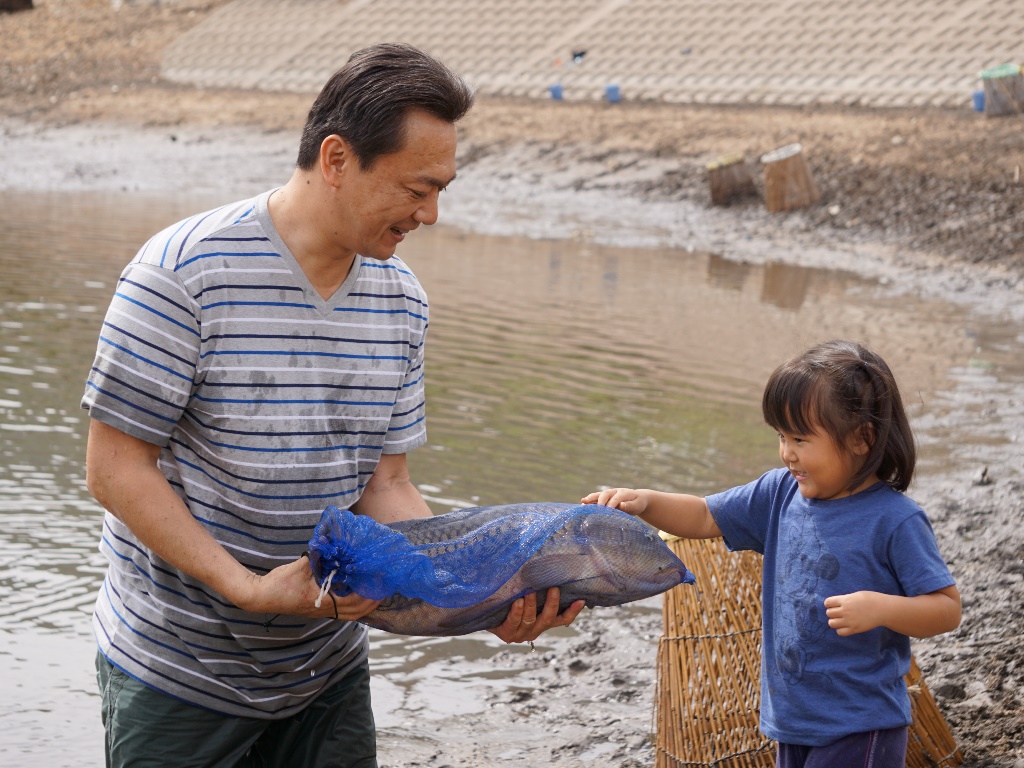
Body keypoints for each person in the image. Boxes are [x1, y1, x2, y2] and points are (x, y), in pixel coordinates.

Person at [83, 42, 584, 768]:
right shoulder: (182, 273)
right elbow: (115, 468)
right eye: (417, 189)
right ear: (338, 159)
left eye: (442, 188)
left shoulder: (401, 299)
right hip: (177, 676)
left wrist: (477, 597)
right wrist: (249, 589)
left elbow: (386, 485)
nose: (433, 214)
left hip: (327, 677)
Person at [583, 339, 961, 768]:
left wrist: (881, 608)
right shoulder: (779, 492)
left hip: (860, 722)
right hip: (790, 718)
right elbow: (706, 516)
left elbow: (946, 609)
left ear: (862, 438)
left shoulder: (895, 520)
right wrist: (646, 501)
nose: (787, 452)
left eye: (800, 438)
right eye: (781, 436)